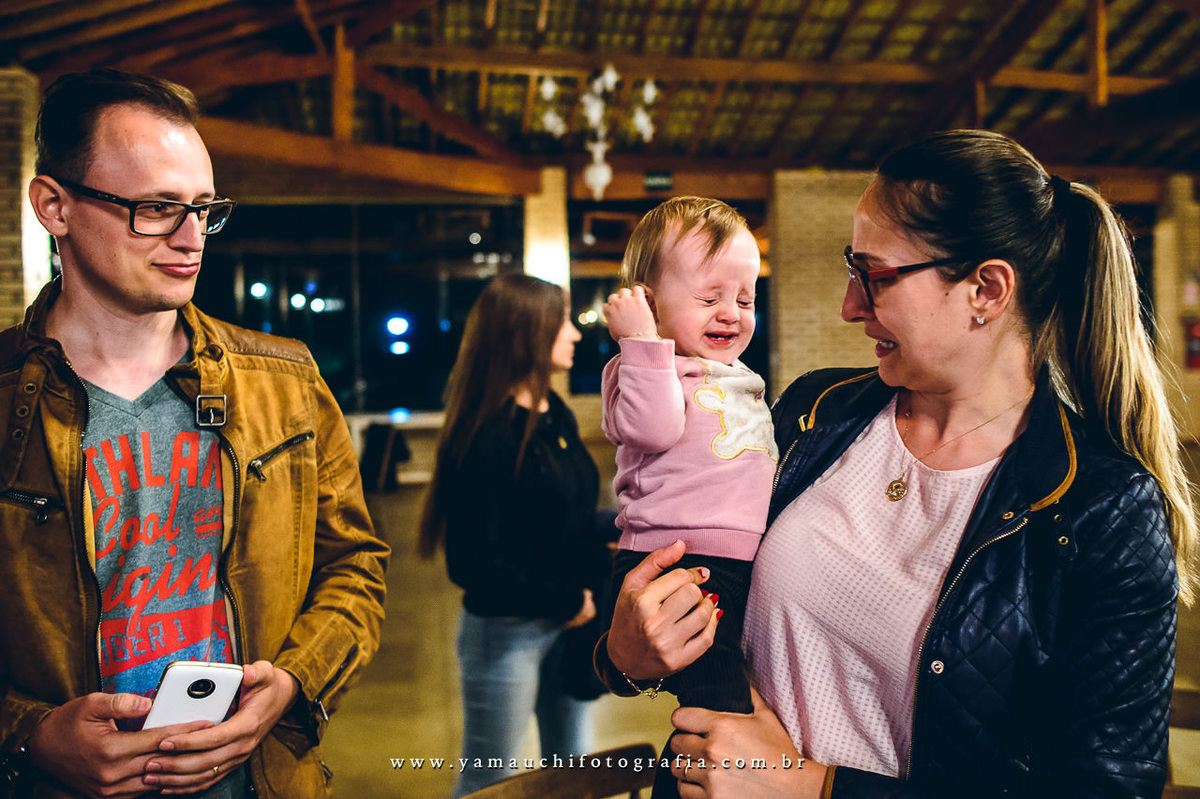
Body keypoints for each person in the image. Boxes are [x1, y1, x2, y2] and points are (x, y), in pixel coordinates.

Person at [596, 129, 1197, 797]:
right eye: (852, 270)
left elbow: (1103, 788)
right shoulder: (816, 413)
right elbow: (698, 587)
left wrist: (815, 788)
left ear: (987, 289)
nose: (849, 306)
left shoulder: (1104, 508)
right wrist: (626, 655)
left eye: (875, 276)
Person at [0, 69, 390, 798]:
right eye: (155, 208)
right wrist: (30, 733)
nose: (190, 238)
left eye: (203, 210)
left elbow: (355, 567)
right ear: (55, 206)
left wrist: (292, 684)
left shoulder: (285, 381)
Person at [600, 198, 775, 796]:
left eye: (745, 299)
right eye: (708, 297)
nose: (730, 313)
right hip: (677, 562)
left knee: (743, 696)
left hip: (729, 560)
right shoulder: (643, 368)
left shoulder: (733, 374)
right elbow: (653, 429)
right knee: (721, 705)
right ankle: (690, 783)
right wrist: (641, 342)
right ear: (649, 304)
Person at [417, 273, 608, 797]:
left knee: (573, 771)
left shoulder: (554, 413)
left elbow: (564, 516)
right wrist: (566, 599)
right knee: (490, 776)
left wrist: (611, 533)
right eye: (562, 321)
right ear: (527, 333)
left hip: (572, 622)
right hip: (509, 632)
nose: (575, 333)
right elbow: (472, 563)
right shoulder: (487, 433)